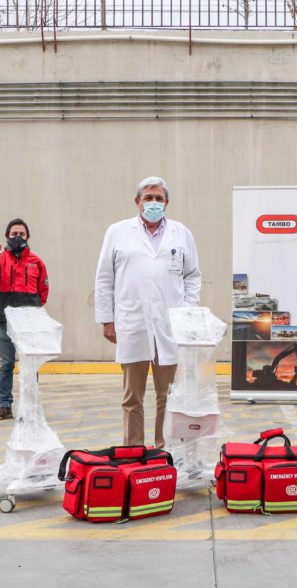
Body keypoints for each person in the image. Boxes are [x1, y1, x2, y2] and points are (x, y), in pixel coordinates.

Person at [94, 176, 202, 448]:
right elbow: (104, 278)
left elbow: (193, 276)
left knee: (169, 395)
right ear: (137, 202)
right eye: (148, 198)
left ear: (167, 203)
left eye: (159, 198)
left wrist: (186, 312)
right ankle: (133, 451)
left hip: (170, 325)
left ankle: (165, 450)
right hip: (133, 323)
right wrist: (107, 319)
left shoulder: (181, 233)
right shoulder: (117, 232)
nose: (153, 203)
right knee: (132, 397)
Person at [0, 218, 49, 421]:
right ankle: (5, 406)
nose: (17, 237)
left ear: (28, 237)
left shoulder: (36, 261)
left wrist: (34, 311)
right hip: (4, 320)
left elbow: (43, 291)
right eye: (13, 234)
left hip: (29, 321)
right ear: (7, 237)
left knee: (30, 365)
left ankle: (30, 408)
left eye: (21, 234)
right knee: (6, 364)